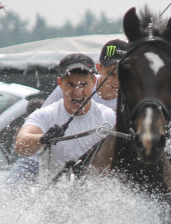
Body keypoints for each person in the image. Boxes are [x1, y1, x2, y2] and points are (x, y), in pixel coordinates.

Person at [13, 53, 116, 183]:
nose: (78, 92)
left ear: (93, 82)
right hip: (52, 198)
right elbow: (20, 145)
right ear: (60, 83)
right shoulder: (45, 115)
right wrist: (43, 138)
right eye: (71, 85)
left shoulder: (109, 118)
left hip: (93, 198)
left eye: (83, 84)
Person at [41, 38, 126, 111]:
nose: (116, 82)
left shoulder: (134, 97)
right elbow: (41, 118)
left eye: (123, 74)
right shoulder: (72, 86)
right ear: (99, 68)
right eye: (111, 74)